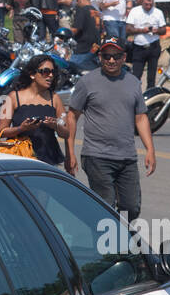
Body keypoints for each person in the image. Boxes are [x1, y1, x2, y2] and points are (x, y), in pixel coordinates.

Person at [66, 36, 156, 222]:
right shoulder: (87, 82)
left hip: (127, 156)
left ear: (124, 57)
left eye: (116, 56)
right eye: (107, 56)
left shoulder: (133, 83)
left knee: (131, 207)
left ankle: (117, 240)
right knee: (105, 205)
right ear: (100, 57)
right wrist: (70, 153)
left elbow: (140, 117)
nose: (111, 60)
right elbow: (72, 117)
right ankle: (108, 246)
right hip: (97, 156)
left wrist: (150, 150)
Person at [0, 54, 71, 169]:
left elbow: (66, 133)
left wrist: (56, 125)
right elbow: (2, 132)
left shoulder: (54, 98)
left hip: (48, 160)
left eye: (53, 72)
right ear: (32, 74)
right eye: (45, 71)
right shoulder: (13, 97)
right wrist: (22, 128)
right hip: (21, 158)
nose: (50, 76)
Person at [125, 0, 166, 89]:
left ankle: (150, 97)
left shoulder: (158, 12)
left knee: (151, 77)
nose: (148, 7)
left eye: (150, 5)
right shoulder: (135, 11)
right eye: (146, 4)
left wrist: (157, 31)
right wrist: (142, 30)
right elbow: (128, 29)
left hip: (153, 46)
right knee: (136, 76)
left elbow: (164, 30)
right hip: (139, 47)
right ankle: (135, 96)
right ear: (141, 2)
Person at [68, 0, 100, 72]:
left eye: (77, 0)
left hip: (83, 48)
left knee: (70, 67)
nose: (76, 2)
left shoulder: (82, 10)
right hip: (95, 47)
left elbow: (76, 29)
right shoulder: (96, 11)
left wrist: (64, 35)